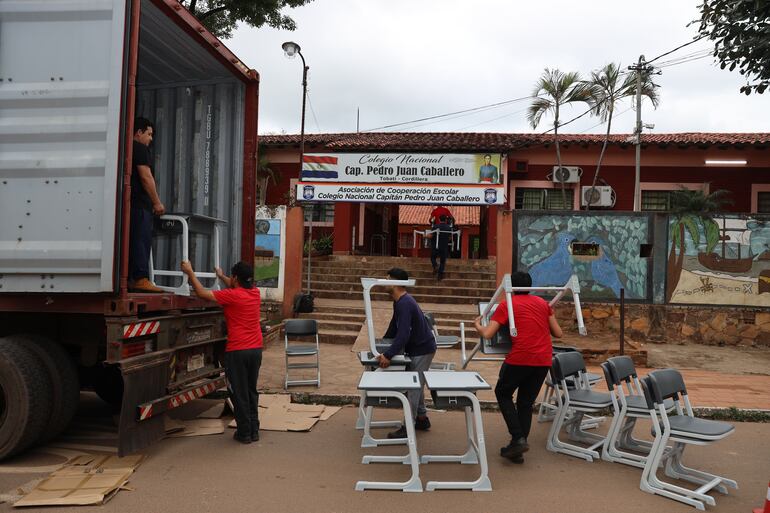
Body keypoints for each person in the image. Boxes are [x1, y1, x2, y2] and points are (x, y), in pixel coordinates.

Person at [473, 271, 563, 463]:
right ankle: (518, 448)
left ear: (511, 287)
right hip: (543, 360)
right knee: (525, 403)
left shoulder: (507, 304)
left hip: (520, 358)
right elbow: (558, 333)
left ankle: (518, 438)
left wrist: (478, 326)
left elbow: (488, 334)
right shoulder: (542, 304)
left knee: (503, 393)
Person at [181, 260, 263, 444]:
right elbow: (235, 284)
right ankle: (253, 430)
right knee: (250, 391)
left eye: (231, 278)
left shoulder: (232, 296)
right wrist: (221, 275)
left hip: (238, 351)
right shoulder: (255, 293)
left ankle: (244, 433)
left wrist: (190, 272)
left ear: (235, 279)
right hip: (256, 350)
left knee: (238, 392)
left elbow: (202, 293)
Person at [376, 268, 437, 439]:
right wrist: (381, 346)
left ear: (395, 283)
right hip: (419, 348)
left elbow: (403, 334)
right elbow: (393, 327)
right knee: (417, 382)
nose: (385, 282)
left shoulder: (404, 303)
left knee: (413, 387)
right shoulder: (399, 301)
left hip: (422, 349)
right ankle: (422, 418)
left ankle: (407, 426)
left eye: (387, 279)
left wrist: (388, 355)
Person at [129, 117, 165, 293]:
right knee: (140, 241)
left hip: (131, 204)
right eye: (149, 134)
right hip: (140, 206)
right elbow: (146, 177)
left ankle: (132, 278)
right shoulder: (140, 149)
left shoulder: (126, 149)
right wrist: (157, 202)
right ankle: (140, 278)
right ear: (139, 132)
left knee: (134, 240)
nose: (151, 138)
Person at [430, 215, 452, 280]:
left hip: (435, 246)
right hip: (444, 246)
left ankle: (435, 266)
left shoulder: (435, 226)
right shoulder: (448, 228)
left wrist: (425, 236)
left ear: (439, 219)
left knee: (433, 257)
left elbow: (431, 236)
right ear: (445, 220)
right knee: (442, 261)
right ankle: (440, 275)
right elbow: (450, 238)